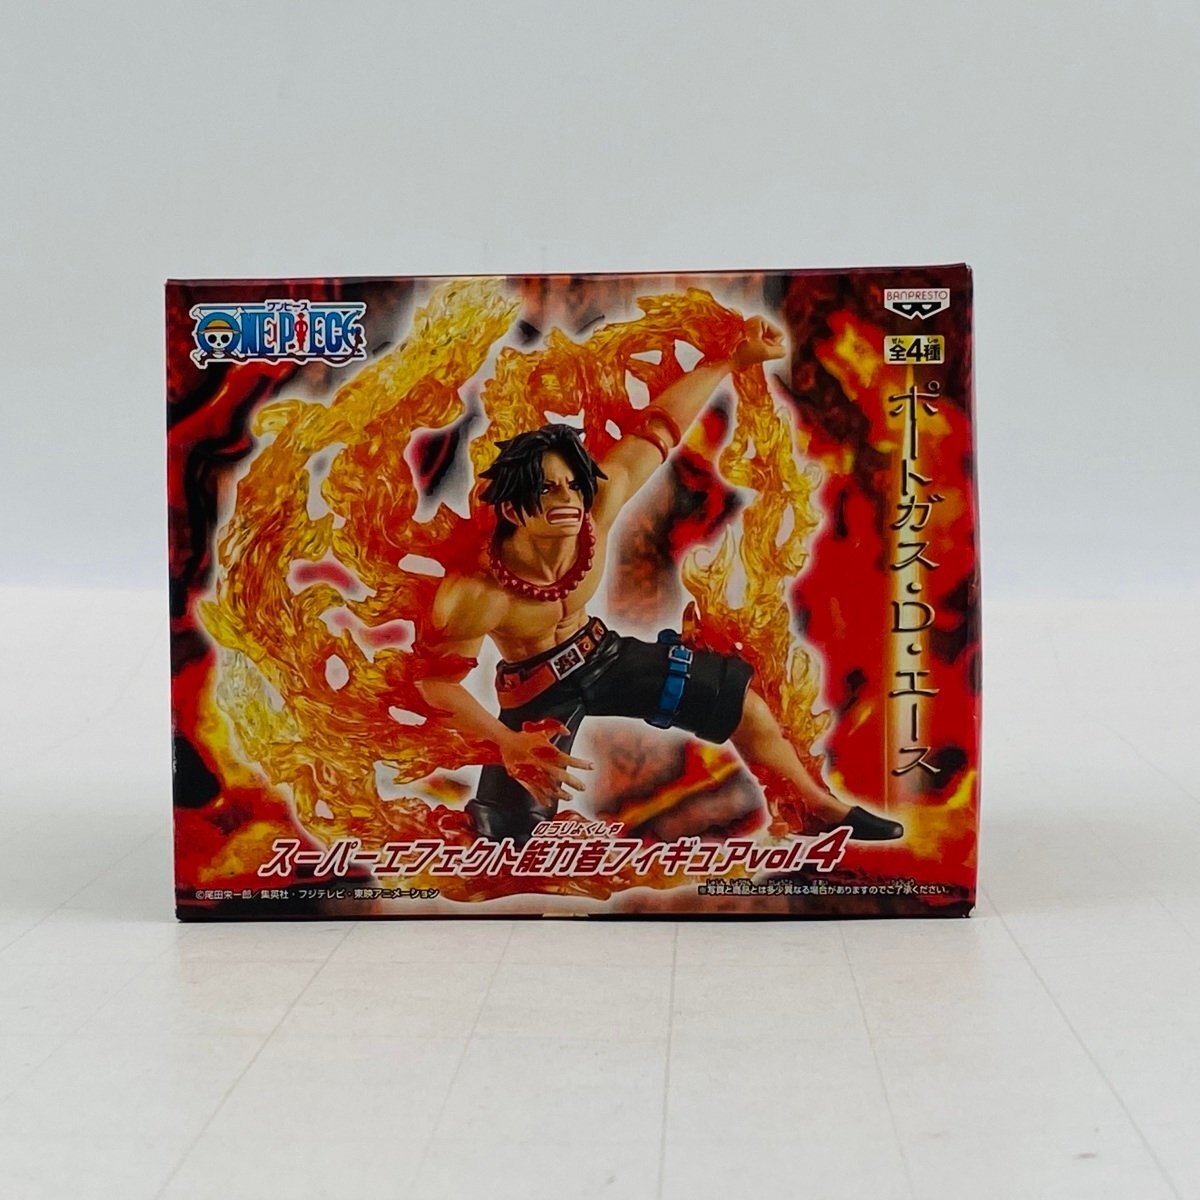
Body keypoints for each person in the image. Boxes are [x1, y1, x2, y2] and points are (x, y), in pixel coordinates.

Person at [416, 318, 904, 845]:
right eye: (547, 491)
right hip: (535, 695)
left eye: (571, 486)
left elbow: (658, 430)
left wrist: (729, 361)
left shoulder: (596, 514)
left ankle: (816, 807)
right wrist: (506, 742)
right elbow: (436, 683)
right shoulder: (478, 592)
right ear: (513, 510)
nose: (567, 500)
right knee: (506, 835)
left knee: (740, 702)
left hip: (603, 656)